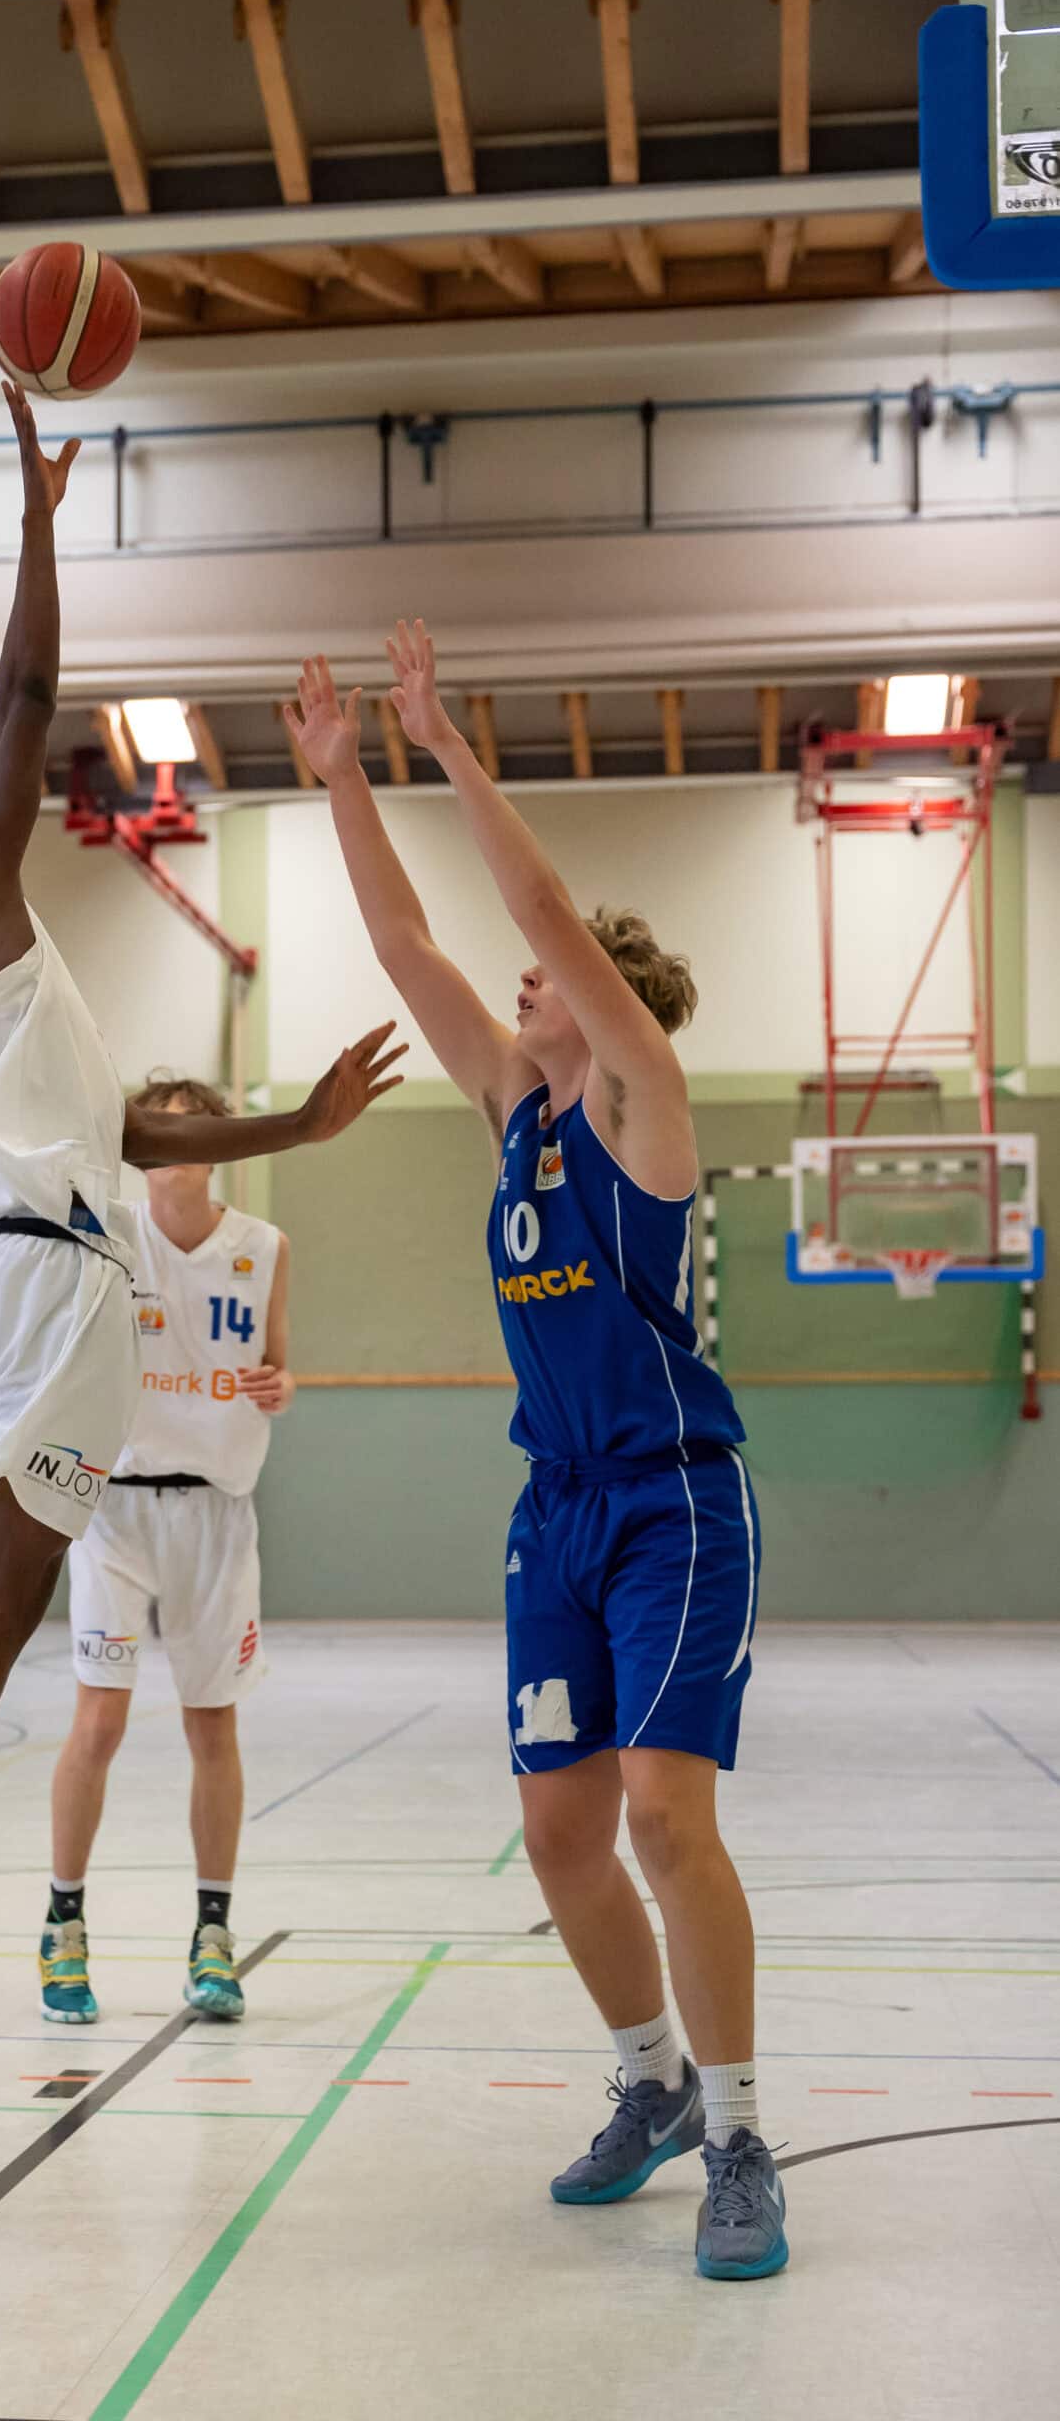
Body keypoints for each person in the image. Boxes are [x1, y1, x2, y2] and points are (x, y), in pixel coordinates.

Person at [0, 383, 403, 2036]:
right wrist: (40, 514)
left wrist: (295, 1127)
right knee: (17, 1585)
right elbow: (29, 691)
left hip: (2, 1276)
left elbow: (127, 1125)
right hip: (61, 1294)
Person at [283, 622, 784, 2284]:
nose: (519, 989)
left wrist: (439, 740)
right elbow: (404, 933)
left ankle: (735, 2135)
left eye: (553, 980)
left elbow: (531, 916)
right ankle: (642, 2083)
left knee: (659, 1815)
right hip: (552, 1513)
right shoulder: (515, 1117)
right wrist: (343, 777)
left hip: (672, 1508)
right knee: (560, 1833)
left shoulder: (645, 1103)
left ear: (610, 1008)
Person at [39, 1074, 292, 2029]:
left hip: (216, 1517)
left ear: (220, 1145)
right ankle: (63, 1924)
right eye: (158, 1131)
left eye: (194, 1130)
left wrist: (278, 1386)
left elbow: (278, 1363)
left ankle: (212, 1938)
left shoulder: (263, 1246)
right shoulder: (101, 1236)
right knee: (97, 1724)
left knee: (210, 1728)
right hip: (114, 1513)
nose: (174, 1145)